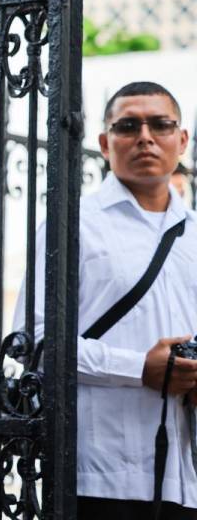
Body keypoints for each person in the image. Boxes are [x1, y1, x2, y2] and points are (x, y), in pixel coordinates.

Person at [14, 82, 197, 519]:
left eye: (161, 124)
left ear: (182, 139)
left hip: (186, 476)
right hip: (99, 472)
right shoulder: (73, 224)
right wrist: (139, 369)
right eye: (128, 125)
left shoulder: (194, 234)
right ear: (104, 142)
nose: (146, 137)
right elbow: (33, 343)